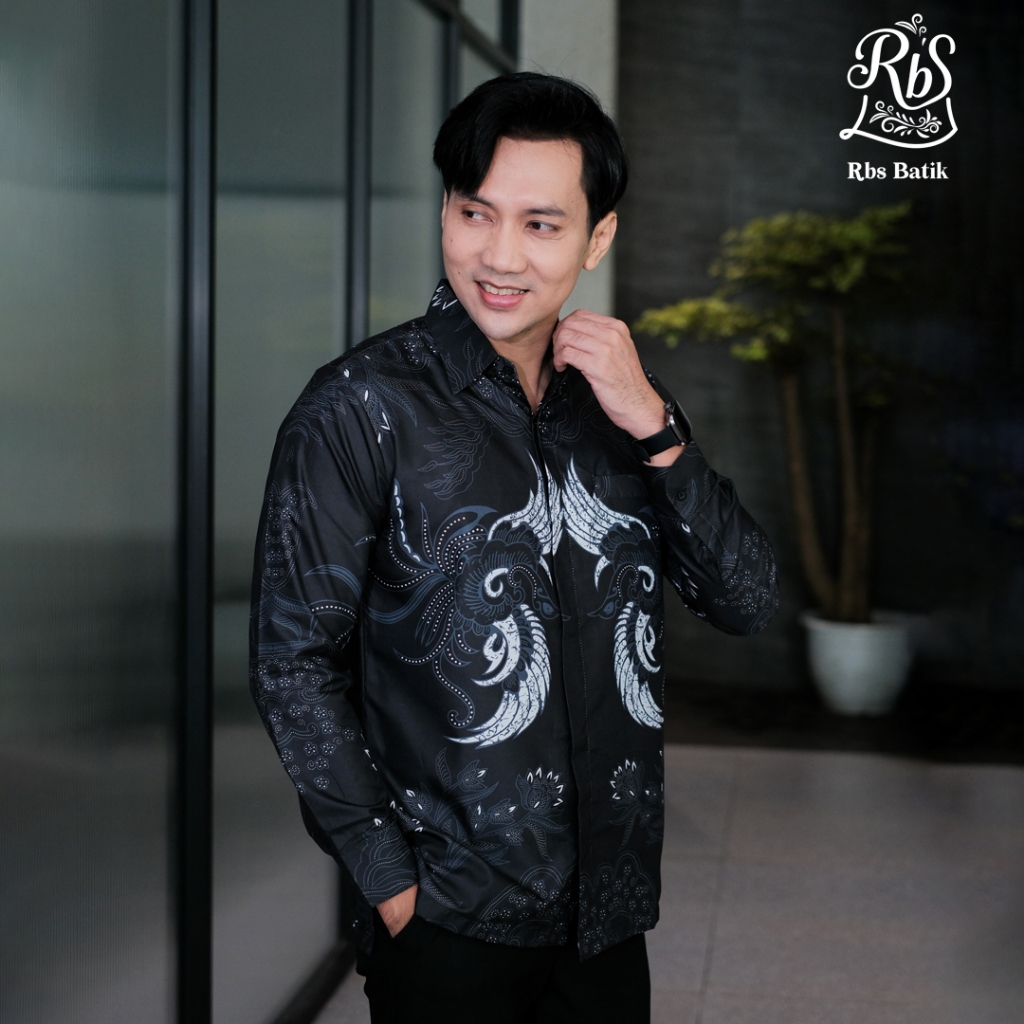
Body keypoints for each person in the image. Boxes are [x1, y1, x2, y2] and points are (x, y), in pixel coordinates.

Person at [250, 72, 778, 1024]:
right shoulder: (360, 408)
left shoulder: (623, 401)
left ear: (596, 238)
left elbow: (746, 601)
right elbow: (292, 663)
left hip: (607, 917)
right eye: (474, 213)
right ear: (446, 212)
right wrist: (386, 876)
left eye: (540, 224)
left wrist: (657, 428)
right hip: (447, 924)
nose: (499, 256)